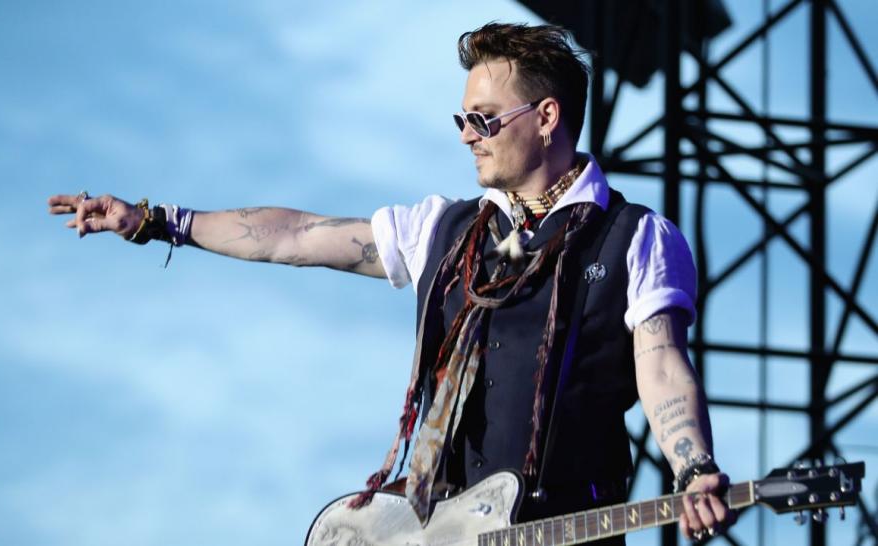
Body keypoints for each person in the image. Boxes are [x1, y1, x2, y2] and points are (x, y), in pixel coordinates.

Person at [48, 22, 735, 543]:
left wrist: (693, 466)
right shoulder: (446, 230)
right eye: (462, 119)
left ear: (547, 117)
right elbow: (296, 237)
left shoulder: (635, 238)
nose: (466, 135)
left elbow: (661, 363)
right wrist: (157, 221)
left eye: (483, 119)